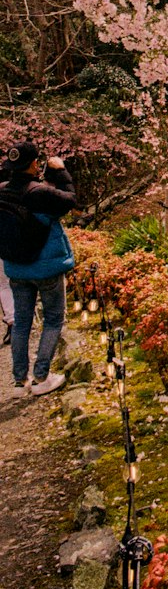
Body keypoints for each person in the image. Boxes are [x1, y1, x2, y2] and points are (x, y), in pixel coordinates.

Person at [0, 139, 77, 396]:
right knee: (53, 319)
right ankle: (41, 378)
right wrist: (59, 170)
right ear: (34, 164)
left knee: (22, 322)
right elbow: (70, 199)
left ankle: (19, 381)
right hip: (46, 268)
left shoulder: (2, 191)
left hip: (17, 268)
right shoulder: (39, 193)